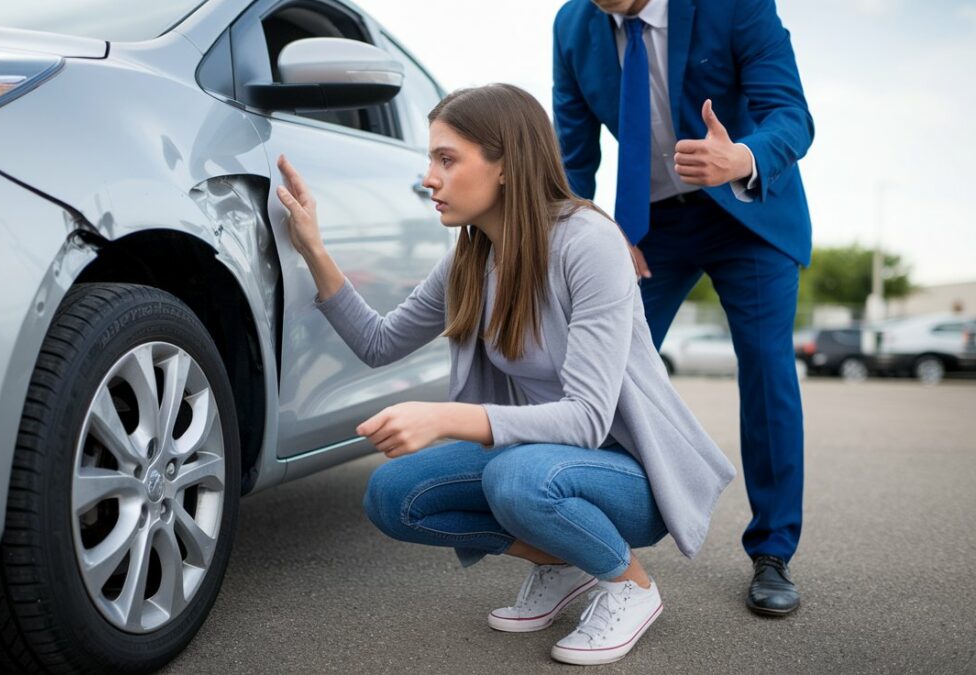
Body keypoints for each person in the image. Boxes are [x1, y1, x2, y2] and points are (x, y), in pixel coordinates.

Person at [275, 83, 734, 666]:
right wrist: (313, 247)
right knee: (393, 496)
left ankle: (631, 585)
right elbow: (379, 342)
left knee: (517, 477)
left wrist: (444, 416)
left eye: (447, 159)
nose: (428, 178)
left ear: (507, 166)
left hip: (631, 476)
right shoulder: (471, 257)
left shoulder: (588, 242)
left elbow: (589, 419)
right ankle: (562, 563)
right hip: (540, 461)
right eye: (430, 159)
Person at [552, 0, 813, 615]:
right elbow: (572, 151)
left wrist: (742, 157)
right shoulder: (572, 25)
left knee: (766, 369)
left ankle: (773, 552)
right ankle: (579, 540)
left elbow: (790, 115)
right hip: (649, 227)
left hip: (747, 212)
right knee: (598, 368)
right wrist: (587, 226)